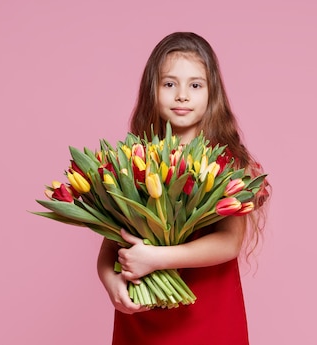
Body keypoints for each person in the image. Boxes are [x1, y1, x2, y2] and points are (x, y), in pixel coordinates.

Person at [96, 32, 270, 345]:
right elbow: (111, 245)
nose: (182, 96)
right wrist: (112, 283)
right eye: (169, 84)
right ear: (153, 90)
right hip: (143, 315)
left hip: (207, 313)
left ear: (211, 92)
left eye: (195, 85)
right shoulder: (135, 160)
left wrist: (157, 259)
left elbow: (229, 242)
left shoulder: (227, 163)